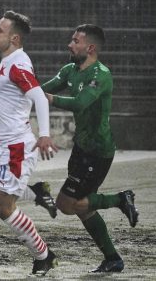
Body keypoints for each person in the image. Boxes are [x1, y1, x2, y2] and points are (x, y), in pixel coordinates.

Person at [0, 10, 59, 275]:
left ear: (14, 38)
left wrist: (44, 134)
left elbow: (39, 97)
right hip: (0, 145)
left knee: (3, 208)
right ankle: (36, 192)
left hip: (17, 148)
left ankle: (43, 255)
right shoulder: (8, 60)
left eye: (0, 30)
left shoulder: (18, 64)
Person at [42, 24, 139, 273]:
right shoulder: (70, 70)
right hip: (81, 148)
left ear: (90, 47)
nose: (70, 44)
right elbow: (43, 89)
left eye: (75, 41)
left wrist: (50, 100)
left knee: (66, 204)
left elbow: (81, 103)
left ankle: (120, 199)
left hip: (98, 151)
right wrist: (19, 87)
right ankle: (113, 259)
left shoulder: (101, 74)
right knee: (84, 208)